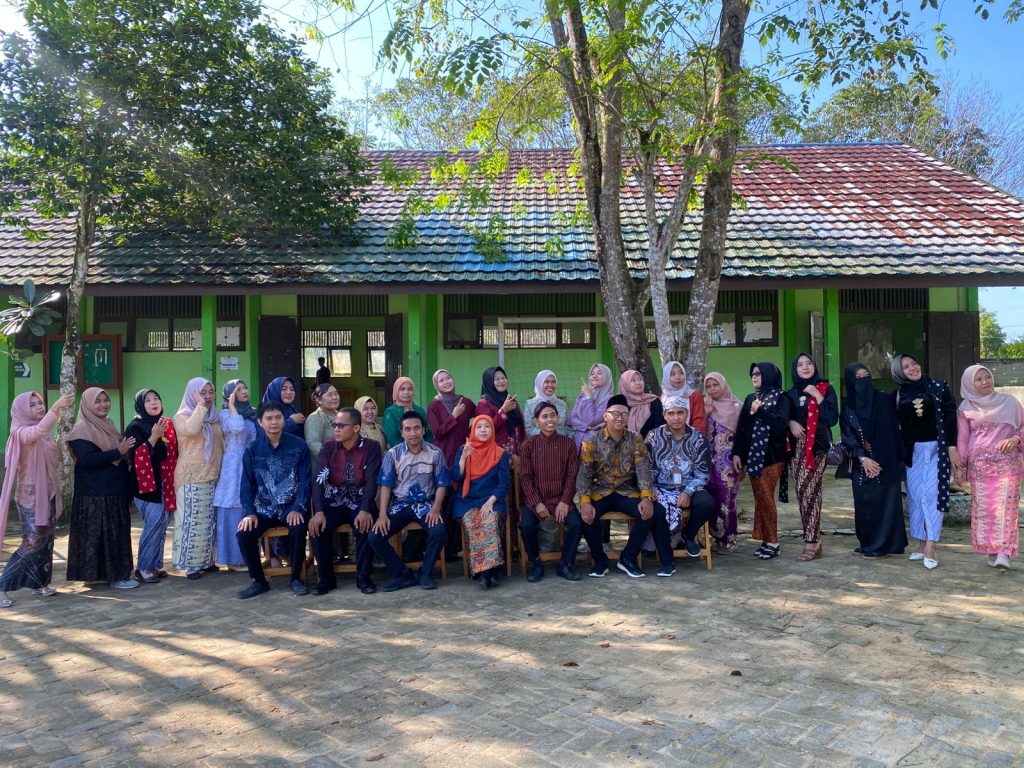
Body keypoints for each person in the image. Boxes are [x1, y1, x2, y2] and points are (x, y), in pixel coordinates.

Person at [576, 394, 674, 578]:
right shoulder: (591, 442)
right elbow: (584, 474)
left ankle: (628, 558)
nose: (619, 418)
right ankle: (600, 560)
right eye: (615, 414)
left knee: (649, 512)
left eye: (624, 414)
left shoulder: (635, 439)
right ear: (606, 416)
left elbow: (643, 469)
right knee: (587, 515)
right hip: (601, 491)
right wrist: (585, 501)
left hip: (627, 491)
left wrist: (646, 496)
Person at [0, 392, 74, 608]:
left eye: (40, 403)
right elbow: (37, 431)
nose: (39, 407)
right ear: (22, 410)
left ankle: (39, 583)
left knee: (47, 542)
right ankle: (2, 586)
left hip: (49, 494)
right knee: (32, 543)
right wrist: (56, 408)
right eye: (32, 405)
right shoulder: (20, 432)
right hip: (31, 498)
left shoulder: (44, 434)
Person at [235, 402, 313, 598]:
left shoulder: (299, 446)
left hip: (290, 506)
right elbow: (246, 484)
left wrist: (298, 507)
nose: (274, 422)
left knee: (298, 527)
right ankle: (259, 581)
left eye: (278, 417)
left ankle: (296, 578)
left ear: (284, 420)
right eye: (268, 419)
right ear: (260, 422)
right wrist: (249, 513)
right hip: (263, 508)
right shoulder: (253, 449)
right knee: (244, 534)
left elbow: (306, 480)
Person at [367, 411, 450, 591]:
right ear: (402, 432)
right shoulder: (393, 454)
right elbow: (386, 485)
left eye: (417, 428)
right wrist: (382, 514)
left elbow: (442, 484)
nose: (413, 433)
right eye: (408, 429)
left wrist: (436, 508)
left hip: (426, 504)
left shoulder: (435, 453)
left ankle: (426, 573)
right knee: (375, 536)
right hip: (400, 505)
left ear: (423, 430)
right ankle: (402, 574)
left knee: (438, 530)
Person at [65, 388, 139, 589]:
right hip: (94, 494)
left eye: (106, 400)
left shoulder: (109, 425)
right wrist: (118, 451)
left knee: (112, 534)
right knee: (99, 535)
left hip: (113, 490)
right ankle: (113, 577)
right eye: (97, 401)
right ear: (87, 404)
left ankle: (109, 574)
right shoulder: (81, 430)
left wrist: (124, 455)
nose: (103, 405)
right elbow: (86, 460)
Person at [891, 353, 960, 570]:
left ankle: (932, 545)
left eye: (914, 363)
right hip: (912, 453)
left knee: (932, 495)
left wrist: (952, 447)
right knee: (915, 496)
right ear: (898, 372)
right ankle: (921, 543)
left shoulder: (938, 387)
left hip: (937, 450)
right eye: (905, 367)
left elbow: (950, 418)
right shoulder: (897, 395)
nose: (912, 368)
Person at [956, 364, 1024, 570]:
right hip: (980, 468)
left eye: (987, 377)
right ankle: (991, 551)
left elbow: (1022, 426)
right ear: (970, 384)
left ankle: (1004, 552)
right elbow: (963, 439)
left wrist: (1016, 439)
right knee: (986, 510)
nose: (985, 381)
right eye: (979, 379)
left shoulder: (1010, 402)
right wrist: (961, 466)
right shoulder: (965, 408)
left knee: (1006, 509)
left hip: (1008, 465)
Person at [309, 407, 381, 595]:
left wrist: (365, 509)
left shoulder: (371, 447)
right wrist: (318, 511)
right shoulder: (328, 447)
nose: (336, 429)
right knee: (318, 527)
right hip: (334, 500)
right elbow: (318, 480)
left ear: (356, 428)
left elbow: (372, 480)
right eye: (335, 425)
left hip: (360, 500)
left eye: (341, 425)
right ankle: (326, 579)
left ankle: (364, 577)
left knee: (365, 524)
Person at [841, 363, 908, 559]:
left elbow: (891, 432)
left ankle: (881, 546)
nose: (863, 380)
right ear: (851, 381)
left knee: (884, 505)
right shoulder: (848, 405)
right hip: (861, 463)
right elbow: (847, 434)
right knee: (863, 504)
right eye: (858, 377)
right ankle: (867, 543)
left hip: (885, 462)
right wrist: (863, 458)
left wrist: (876, 459)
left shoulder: (883, 400)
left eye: (866, 375)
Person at [519, 401, 585, 582]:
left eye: (553, 415)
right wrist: (537, 503)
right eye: (544, 416)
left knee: (577, 524)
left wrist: (565, 501)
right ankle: (536, 564)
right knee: (526, 526)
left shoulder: (568, 444)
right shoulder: (528, 445)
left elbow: (572, 476)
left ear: (558, 417)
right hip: (537, 500)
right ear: (536, 421)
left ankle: (565, 564)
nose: (550, 420)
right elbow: (525, 477)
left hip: (560, 499)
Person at [645, 396, 716, 560]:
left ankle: (688, 535)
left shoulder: (698, 438)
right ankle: (658, 545)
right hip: (660, 487)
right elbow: (645, 467)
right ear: (664, 415)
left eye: (680, 413)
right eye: (671, 413)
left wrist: (688, 492)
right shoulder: (654, 436)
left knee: (707, 503)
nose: (676, 417)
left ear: (687, 414)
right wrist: (649, 488)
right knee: (652, 506)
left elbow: (702, 472)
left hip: (688, 486)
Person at [732, 362, 791, 560]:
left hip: (772, 457)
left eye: (758, 373)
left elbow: (781, 425)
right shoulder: (751, 398)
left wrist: (761, 411)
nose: (754, 377)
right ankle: (766, 540)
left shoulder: (781, 397)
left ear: (768, 375)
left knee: (766, 498)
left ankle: (773, 542)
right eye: (752, 374)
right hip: (753, 457)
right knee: (760, 499)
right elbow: (742, 428)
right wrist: (737, 453)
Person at [785, 353, 839, 561]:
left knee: (808, 492)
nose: (805, 367)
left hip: (817, 449)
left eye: (809, 363)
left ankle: (811, 542)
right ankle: (813, 539)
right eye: (800, 364)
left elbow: (831, 419)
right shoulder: (790, 394)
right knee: (805, 493)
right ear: (795, 369)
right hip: (796, 450)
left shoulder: (825, 389)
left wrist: (817, 394)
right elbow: (784, 417)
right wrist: (791, 422)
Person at [172, 377, 225, 580]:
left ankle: (207, 561)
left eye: (211, 392)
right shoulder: (182, 416)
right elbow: (192, 430)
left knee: (209, 522)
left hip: (212, 475)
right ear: (192, 394)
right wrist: (201, 406)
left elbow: (221, 445)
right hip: (191, 476)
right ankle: (191, 565)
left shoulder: (214, 418)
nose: (208, 396)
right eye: (203, 392)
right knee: (191, 521)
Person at [125, 389, 178, 583]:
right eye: (148, 400)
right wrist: (154, 436)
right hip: (145, 487)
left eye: (156, 398)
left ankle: (154, 565)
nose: (153, 403)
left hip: (164, 483)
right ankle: (143, 568)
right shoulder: (135, 427)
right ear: (140, 405)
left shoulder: (164, 423)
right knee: (153, 524)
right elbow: (136, 457)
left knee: (162, 524)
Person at [452, 415, 511, 588]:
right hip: (467, 501)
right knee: (473, 522)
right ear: (473, 430)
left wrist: (490, 502)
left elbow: (503, 483)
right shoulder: (464, 449)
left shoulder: (500, 453)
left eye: (487, 426)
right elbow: (456, 478)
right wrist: (463, 458)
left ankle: (485, 574)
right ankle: (489, 571)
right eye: (479, 427)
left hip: (492, 499)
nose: (483, 430)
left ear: (493, 430)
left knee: (489, 521)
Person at [427, 369, 475, 560]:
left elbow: (481, 418)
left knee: (462, 499)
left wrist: (472, 434)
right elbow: (437, 432)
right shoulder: (434, 406)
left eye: (448, 378)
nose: (446, 382)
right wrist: (453, 416)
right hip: (443, 459)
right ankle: (445, 550)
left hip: (464, 457)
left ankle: (459, 546)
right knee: (445, 503)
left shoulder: (465, 402)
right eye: (441, 380)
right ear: (436, 385)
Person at [213, 380, 257, 571]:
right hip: (233, 467)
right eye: (238, 389)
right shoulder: (224, 414)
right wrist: (231, 406)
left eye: (245, 387)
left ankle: (248, 557)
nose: (244, 391)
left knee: (248, 509)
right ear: (229, 394)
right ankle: (232, 559)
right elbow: (237, 428)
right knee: (233, 510)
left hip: (249, 464)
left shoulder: (252, 413)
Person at [702, 372, 743, 554]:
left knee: (727, 498)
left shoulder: (737, 407)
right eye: (708, 386)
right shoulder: (706, 405)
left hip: (729, 462)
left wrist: (741, 457)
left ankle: (728, 539)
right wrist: (705, 413)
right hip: (707, 462)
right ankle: (713, 537)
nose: (712, 389)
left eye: (715, 385)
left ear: (723, 385)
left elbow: (743, 435)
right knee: (710, 497)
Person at [476, 366, 525, 455]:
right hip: (497, 455)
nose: (501, 381)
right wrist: (503, 411)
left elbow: (520, 423)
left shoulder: (510, 399)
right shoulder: (483, 404)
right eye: (497, 379)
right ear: (489, 382)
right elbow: (486, 429)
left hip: (518, 454)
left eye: (503, 378)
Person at [567, 363, 614, 449]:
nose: (594, 376)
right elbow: (572, 419)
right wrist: (587, 428)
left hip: (597, 443)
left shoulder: (609, 399)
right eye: (592, 374)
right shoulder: (583, 395)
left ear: (607, 376)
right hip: (578, 442)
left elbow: (592, 421)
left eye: (599, 373)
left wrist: (588, 397)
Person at [383, 376, 432, 447]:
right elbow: (392, 439)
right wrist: (410, 450)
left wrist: (421, 449)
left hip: (423, 451)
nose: (406, 392)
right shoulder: (390, 412)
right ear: (396, 391)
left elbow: (428, 434)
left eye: (410, 389)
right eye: (402, 389)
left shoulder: (420, 410)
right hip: (400, 452)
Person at [524, 370, 572, 438]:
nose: (550, 385)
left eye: (553, 382)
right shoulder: (530, 405)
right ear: (539, 383)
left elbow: (568, 427)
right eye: (546, 382)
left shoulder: (562, 404)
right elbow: (529, 431)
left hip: (561, 443)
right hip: (539, 443)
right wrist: (549, 435)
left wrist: (566, 440)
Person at [661, 361, 707, 432]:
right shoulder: (661, 399)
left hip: (692, 436)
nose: (678, 377)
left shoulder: (694, 395)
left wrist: (691, 437)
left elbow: (699, 422)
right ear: (666, 377)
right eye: (672, 374)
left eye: (681, 373)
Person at [619, 369, 662, 437]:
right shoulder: (620, 403)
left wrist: (649, 440)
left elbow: (660, 425)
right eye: (633, 380)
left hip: (652, 441)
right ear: (625, 384)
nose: (638, 383)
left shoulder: (653, 400)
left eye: (640, 379)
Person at [305, 383, 341, 459]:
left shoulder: (339, 415)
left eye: (336, 394)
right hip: (327, 461)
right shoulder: (315, 418)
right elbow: (313, 444)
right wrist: (334, 456)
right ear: (319, 400)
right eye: (330, 395)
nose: (335, 397)